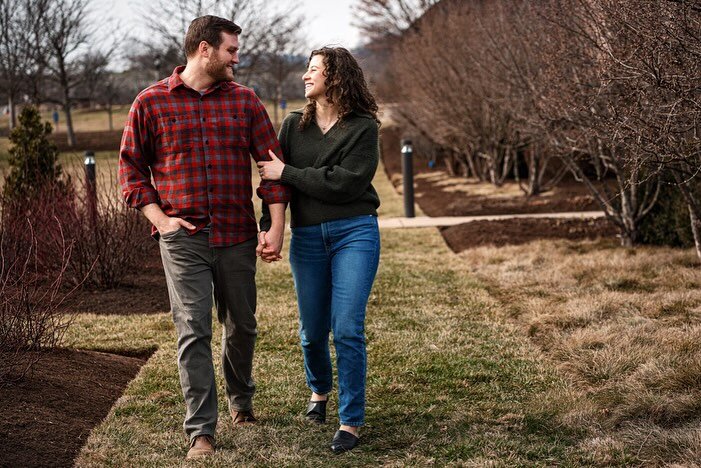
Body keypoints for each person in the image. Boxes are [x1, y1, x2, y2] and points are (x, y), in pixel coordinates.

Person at [119, 15, 290, 460]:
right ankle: (201, 431)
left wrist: (275, 227)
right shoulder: (150, 103)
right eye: (231, 50)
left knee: (243, 326)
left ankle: (241, 400)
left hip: (236, 236)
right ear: (204, 50)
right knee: (193, 328)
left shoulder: (246, 102)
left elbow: (272, 169)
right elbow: (131, 172)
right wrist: (162, 219)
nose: (238, 57)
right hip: (183, 238)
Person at [257, 46, 381, 453]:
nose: (305, 76)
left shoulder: (363, 127)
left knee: (346, 327)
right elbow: (273, 184)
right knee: (311, 333)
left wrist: (289, 172)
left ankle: (351, 421)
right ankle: (319, 393)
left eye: (313, 70)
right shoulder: (294, 127)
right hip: (308, 237)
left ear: (336, 78)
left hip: (354, 234)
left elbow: (346, 182)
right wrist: (271, 227)